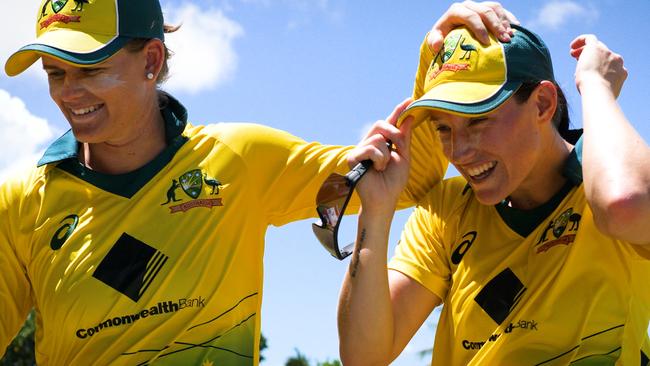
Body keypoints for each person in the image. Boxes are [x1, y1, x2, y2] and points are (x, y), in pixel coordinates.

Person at [0, 0, 517, 364]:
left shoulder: (239, 160)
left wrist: (437, 65)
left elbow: (409, 180)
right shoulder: (21, 202)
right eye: (55, 73)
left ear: (151, 61)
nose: (69, 92)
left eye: (90, 68)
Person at [338, 23, 650, 366]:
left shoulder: (612, 179)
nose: (458, 151)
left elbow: (626, 206)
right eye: (444, 128)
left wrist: (595, 84)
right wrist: (376, 211)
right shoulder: (446, 206)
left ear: (542, 104)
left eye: (478, 121)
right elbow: (363, 357)